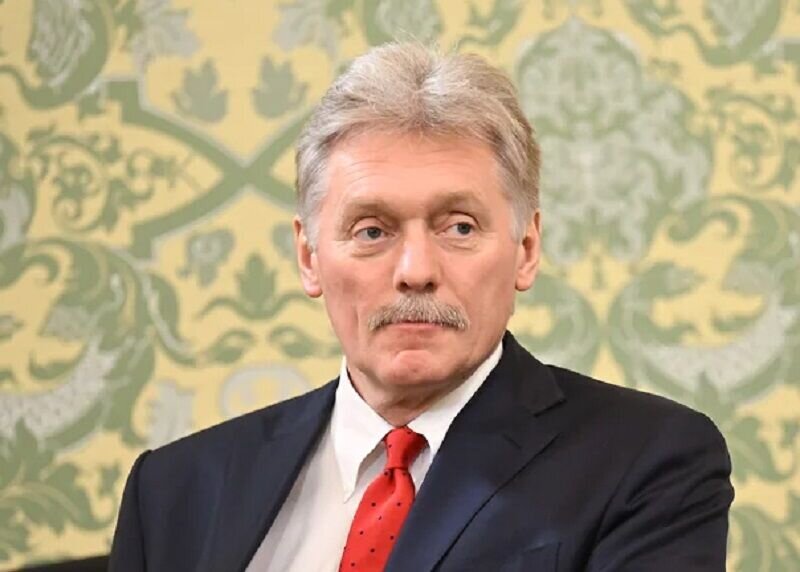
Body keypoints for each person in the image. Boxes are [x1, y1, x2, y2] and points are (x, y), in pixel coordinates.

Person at [109, 43, 734, 571]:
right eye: (372, 231)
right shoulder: (173, 490)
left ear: (525, 249)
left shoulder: (647, 462)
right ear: (308, 257)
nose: (415, 272)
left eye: (459, 227)